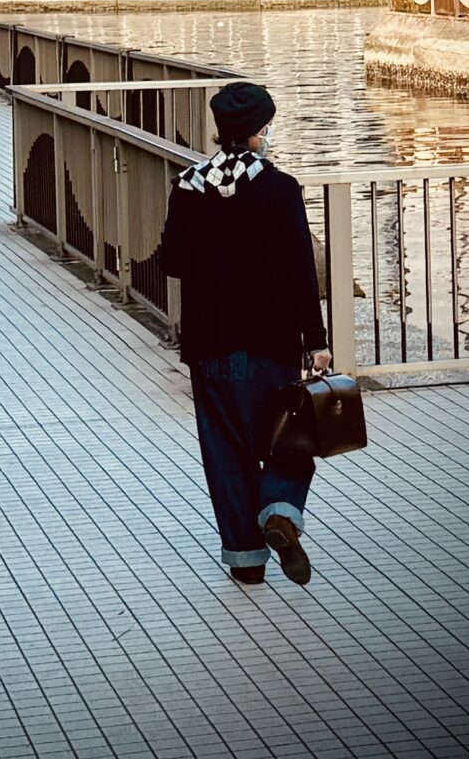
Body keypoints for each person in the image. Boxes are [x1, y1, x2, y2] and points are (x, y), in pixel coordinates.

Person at [160, 81, 332, 586]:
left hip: (208, 346)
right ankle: (279, 512)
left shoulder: (188, 186)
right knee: (288, 441)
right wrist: (316, 341)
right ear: (259, 132)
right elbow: (302, 271)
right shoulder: (280, 189)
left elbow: (171, 261)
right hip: (269, 343)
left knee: (226, 453)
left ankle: (247, 563)